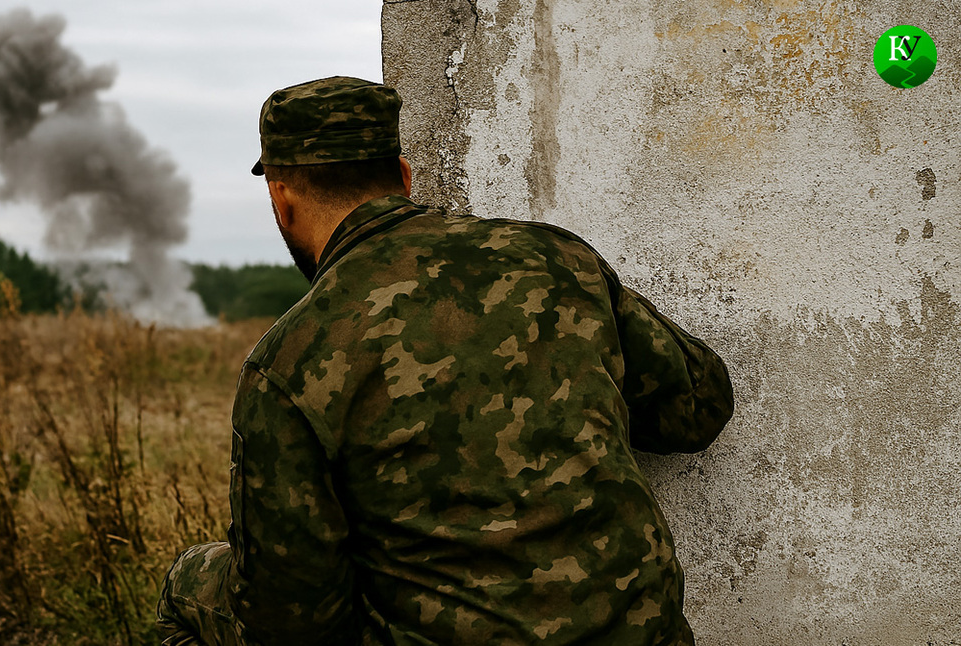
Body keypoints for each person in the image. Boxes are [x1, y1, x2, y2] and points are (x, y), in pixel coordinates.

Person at [155, 76, 734, 646]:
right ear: (403, 177)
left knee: (187, 583)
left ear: (282, 202)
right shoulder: (555, 257)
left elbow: (289, 623)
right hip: (641, 635)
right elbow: (698, 407)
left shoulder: (291, 360)